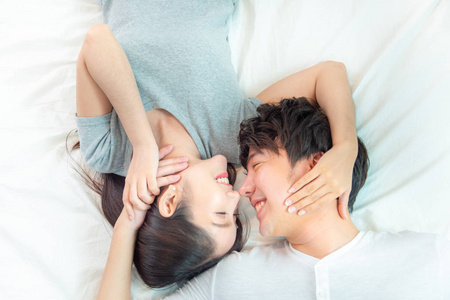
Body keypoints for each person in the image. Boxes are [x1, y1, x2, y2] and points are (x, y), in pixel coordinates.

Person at [75, 0, 359, 294]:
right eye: (235, 216)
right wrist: (345, 148)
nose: (237, 198)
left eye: (221, 215)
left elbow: (97, 41)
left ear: (170, 201)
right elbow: (328, 74)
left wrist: (128, 218)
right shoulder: (233, 134)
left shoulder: (107, 152)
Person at [163, 98, 450, 300]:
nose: (243, 190)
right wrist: (129, 222)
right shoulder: (232, 278)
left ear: (317, 166)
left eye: (258, 166)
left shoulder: (432, 259)